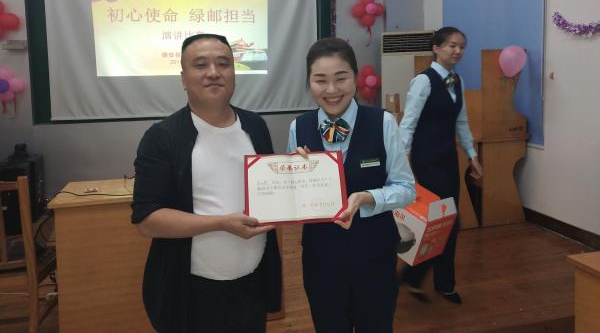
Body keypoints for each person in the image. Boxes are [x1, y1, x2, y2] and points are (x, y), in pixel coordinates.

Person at [131, 33, 281, 333]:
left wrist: (301, 170)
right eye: (200, 65)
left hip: (252, 285)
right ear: (183, 78)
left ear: (234, 73)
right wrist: (221, 223)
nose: (213, 72)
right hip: (191, 293)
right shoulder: (162, 137)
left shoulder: (255, 126)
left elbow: (270, 190)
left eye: (223, 64)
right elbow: (147, 220)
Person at [288, 37, 416, 333]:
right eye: (320, 80)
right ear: (309, 83)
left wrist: (366, 198)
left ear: (356, 78)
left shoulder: (383, 122)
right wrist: (293, 175)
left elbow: (406, 189)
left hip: (374, 253)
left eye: (341, 78)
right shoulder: (299, 127)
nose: (331, 90)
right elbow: (297, 201)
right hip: (321, 257)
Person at [399, 26, 483, 305]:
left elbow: (461, 121)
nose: (457, 51)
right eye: (451, 45)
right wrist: (403, 163)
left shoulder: (457, 80)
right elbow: (408, 124)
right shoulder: (423, 81)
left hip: (448, 158)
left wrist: (471, 155)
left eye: (461, 46)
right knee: (445, 222)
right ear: (436, 48)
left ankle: (431, 280)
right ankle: (430, 280)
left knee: (445, 221)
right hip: (426, 160)